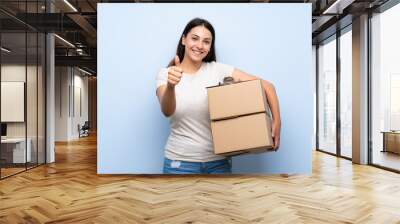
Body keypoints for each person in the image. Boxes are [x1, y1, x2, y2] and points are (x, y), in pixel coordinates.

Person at [156, 18, 281, 174]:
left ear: (210, 47)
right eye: (194, 38)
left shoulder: (218, 70)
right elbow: (167, 110)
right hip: (179, 163)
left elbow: (267, 86)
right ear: (184, 39)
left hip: (218, 163)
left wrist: (277, 122)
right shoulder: (166, 74)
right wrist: (171, 86)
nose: (200, 46)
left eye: (206, 42)